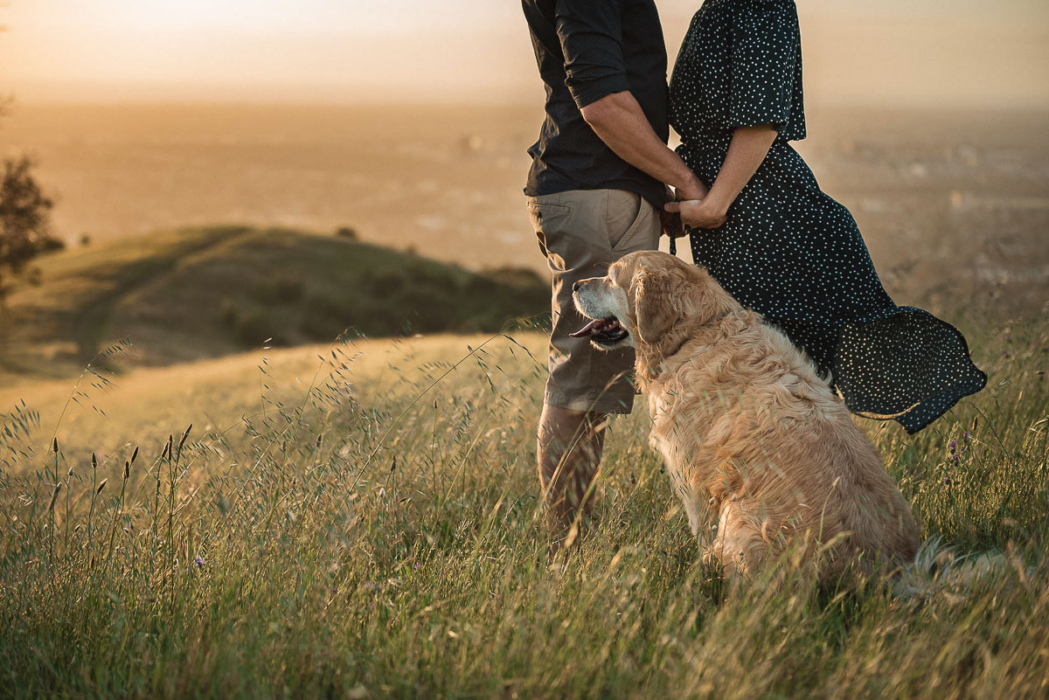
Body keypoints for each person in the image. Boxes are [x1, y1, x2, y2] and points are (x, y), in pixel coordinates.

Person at [663, 0, 986, 433]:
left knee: (774, 386)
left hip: (766, 217)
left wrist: (713, 204)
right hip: (740, 214)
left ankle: (811, 491)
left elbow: (762, 119)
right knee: (763, 384)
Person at [521, 0, 704, 553]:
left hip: (606, 189)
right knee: (582, 380)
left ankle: (573, 539)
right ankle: (565, 550)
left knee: (598, 379)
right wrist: (684, 180)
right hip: (597, 191)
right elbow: (601, 102)